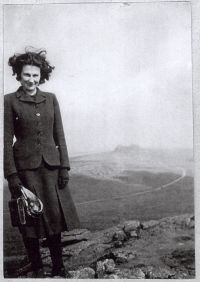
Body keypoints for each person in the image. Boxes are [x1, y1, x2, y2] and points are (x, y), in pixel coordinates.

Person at [4, 48, 80, 278]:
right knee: (30, 219)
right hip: (25, 171)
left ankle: (59, 266)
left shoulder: (51, 99)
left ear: (42, 76)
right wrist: (12, 176)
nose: (31, 79)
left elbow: (60, 135)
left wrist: (64, 166)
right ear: (18, 74)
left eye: (35, 75)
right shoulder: (9, 101)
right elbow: (5, 142)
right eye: (26, 75)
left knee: (54, 218)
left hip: (51, 168)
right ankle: (37, 269)